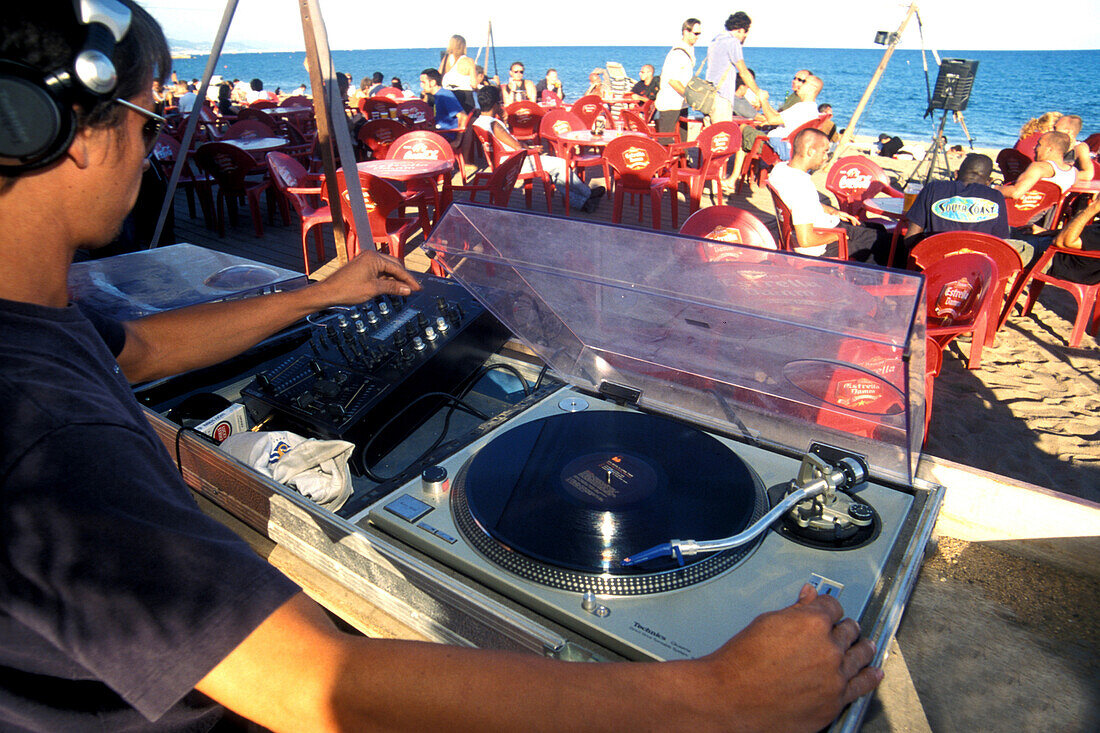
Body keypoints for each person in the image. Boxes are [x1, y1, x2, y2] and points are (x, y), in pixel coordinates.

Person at [0, 3, 883, 730]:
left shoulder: (36, 317)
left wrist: (313, 298)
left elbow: (144, 348)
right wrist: (712, 696)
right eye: (153, 117)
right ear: (73, 136)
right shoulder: (47, 434)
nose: (153, 147)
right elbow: (314, 688)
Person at [769, 128, 895, 263]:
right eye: (824, 152)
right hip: (822, 245)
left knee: (878, 228)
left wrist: (833, 211)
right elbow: (806, 240)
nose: (826, 157)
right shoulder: (801, 186)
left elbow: (799, 203)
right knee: (888, 244)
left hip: (825, 226)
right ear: (811, 151)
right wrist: (838, 236)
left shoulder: (781, 169)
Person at [473, 116, 605, 212]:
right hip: (515, 162)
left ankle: (582, 202)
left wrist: (528, 147)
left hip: (505, 161)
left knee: (556, 170)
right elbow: (517, 147)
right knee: (560, 164)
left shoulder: (478, 122)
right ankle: (587, 194)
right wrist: (533, 150)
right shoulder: (494, 124)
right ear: (496, 103)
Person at [904, 154, 1011, 260]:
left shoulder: (933, 188)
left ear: (956, 174)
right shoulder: (996, 197)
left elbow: (910, 239)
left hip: (934, 265)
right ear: (989, 181)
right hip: (977, 269)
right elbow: (1000, 244)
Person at [741, 73, 823, 160]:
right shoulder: (810, 107)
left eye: (804, 82)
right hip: (785, 145)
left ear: (813, 88)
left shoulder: (802, 107)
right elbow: (777, 116)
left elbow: (772, 120)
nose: (799, 84)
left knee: (742, 128)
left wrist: (763, 100)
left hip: (774, 147)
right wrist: (765, 103)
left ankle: (737, 171)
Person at [706, 12, 764, 117]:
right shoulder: (733, 42)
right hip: (722, 98)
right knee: (723, 131)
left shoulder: (715, 40)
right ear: (741, 29)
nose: (745, 36)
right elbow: (743, 72)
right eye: (746, 32)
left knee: (712, 132)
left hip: (709, 97)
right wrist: (759, 92)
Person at [655, 18, 702, 143]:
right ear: (686, 32)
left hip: (680, 103)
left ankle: (683, 162)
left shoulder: (686, 51)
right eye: (695, 33)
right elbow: (672, 80)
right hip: (670, 104)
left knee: (682, 142)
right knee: (666, 143)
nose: (697, 37)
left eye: (699, 34)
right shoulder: (677, 54)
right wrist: (689, 96)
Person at [997, 130, 1077, 200]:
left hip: (1028, 213)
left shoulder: (1039, 168)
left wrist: (993, 188)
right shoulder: (1074, 172)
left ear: (1050, 149)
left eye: (1039, 144)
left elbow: (1015, 193)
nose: (1034, 148)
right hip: (1053, 215)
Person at [1045, 195, 1100, 284]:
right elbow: (1083, 233)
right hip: (1051, 249)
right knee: (1015, 232)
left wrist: (1094, 207)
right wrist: (1048, 232)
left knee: (1014, 248)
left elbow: (1062, 242)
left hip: (1055, 260)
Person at [420, 67, 467, 134]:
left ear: (433, 83)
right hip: (439, 131)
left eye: (423, 82)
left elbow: (463, 117)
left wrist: (458, 140)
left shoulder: (445, 96)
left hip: (447, 135)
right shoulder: (437, 96)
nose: (421, 85)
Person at [439, 34, 477, 112]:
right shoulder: (468, 61)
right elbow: (474, 84)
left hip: (448, 96)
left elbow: (439, 75)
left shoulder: (445, 59)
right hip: (465, 98)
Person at [1053, 114, 1095, 181]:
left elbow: (1088, 174)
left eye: (1055, 128)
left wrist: (1058, 175)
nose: (1051, 131)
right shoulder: (1051, 145)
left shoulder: (1079, 148)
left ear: (1068, 132)